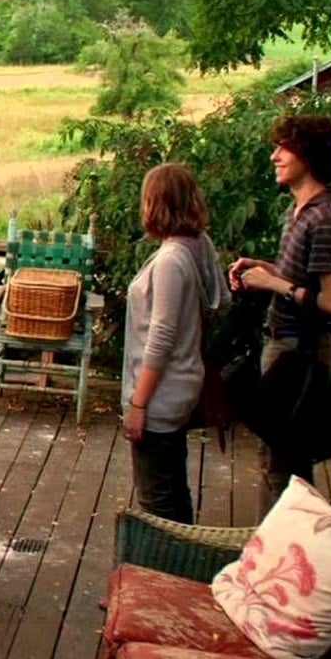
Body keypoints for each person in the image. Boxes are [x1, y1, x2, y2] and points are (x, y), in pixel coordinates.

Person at [228, 115, 331, 509]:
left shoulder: (324, 219)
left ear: (308, 155)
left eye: (284, 148)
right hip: (281, 345)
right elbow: (300, 280)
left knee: (284, 465)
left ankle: (283, 543)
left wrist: (273, 284)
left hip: (301, 353)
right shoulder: (298, 211)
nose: (274, 156)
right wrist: (262, 269)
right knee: (274, 458)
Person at [121, 163, 230, 524]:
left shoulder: (170, 261)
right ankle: (187, 549)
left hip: (161, 395)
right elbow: (222, 302)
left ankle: (171, 558)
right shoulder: (199, 245)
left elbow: (161, 338)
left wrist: (139, 404)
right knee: (174, 488)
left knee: (157, 503)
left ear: (155, 203)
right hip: (184, 385)